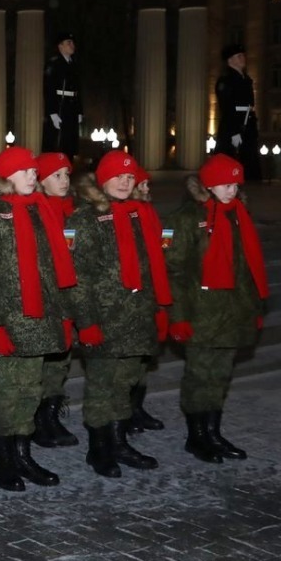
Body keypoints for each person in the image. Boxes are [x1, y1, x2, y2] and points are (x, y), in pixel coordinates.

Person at [0, 146, 77, 491]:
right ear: (7, 176)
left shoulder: (41, 209)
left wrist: (64, 316)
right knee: (8, 392)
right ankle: (3, 460)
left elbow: (57, 270)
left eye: (34, 170)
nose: (33, 176)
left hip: (41, 318)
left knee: (31, 391)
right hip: (10, 320)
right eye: (25, 170)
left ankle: (22, 454)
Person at [64, 149, 172, 477]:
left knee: (125, 384)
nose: (125, 183)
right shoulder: (83, 220)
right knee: (102, 386)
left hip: (137, 316)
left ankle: (119, 442)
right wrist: (87, 322)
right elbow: (76, 278)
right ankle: (99, 449)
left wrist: (160, 309)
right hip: (104, 319)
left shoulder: (140, 214)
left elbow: (156, 265)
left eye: (129, 177)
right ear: (103, 179)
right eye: (117, 177)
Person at [165, 154, 270, 462]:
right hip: (200, 313)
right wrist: (178, 317)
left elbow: (248, 269)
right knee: (200, 376)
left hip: (232, 312)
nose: (232, 191)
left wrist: (254, 310)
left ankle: (213, 433)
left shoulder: (238, 215)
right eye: (225, 184)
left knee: (221, 375)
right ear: (209, 185)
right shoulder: (183, 219)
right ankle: (196, 436)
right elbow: (172, 271)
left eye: (236, 185)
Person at [31, 151, 81, 449]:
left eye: (66, 175)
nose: (64, 181)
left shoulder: (73, 211)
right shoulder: (37, 212)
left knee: (61, 362)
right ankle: (38, 418)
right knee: (44, 361)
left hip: (71, 293)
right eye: (56, 175)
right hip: (47, 296)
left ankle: (51, 414)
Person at [125, 163, 168, 435]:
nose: (146, 188)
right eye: (142, 184)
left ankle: (137, 407)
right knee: (132, 361)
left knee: (143, 359)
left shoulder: (149, 211)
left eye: (146, 184)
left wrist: (167, 244)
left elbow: (162, 240)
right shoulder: (130, 214)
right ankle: (127, 411)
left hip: (152, 288)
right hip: (136, 292)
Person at [215, 44, 261, 183]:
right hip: (232, 124)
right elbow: (227, 107)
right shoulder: (225, 81)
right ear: (230, 60)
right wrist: (234, 131)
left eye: (243, 55)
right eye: (239, 56)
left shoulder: (246, 79)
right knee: (229, 157)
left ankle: (251, 182)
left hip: (248, 121)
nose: (243, 58)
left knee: (250, 156)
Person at [42, 32, 81, 160]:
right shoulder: (54, 64)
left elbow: (78, 89)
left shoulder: (74, 64)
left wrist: (79, 110)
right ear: (60, 46)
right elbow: (48, 88)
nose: (72, 45)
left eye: (72, 42)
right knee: (57, 142)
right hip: (60, 105)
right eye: (68, 42)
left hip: (71, 107)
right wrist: (52, 112)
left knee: (70, 143)